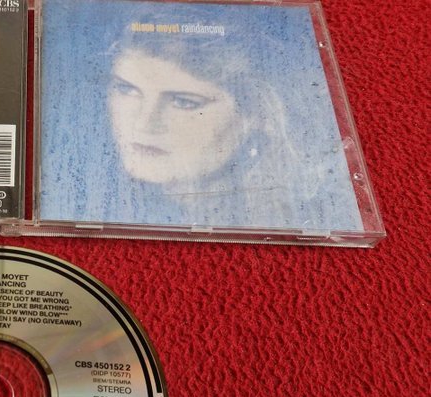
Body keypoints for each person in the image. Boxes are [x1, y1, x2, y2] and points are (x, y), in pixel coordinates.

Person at [39, 2, 362, 230]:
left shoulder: (305, 215)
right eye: (127, 89)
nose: (144, 122)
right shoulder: (75, 191)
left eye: (183, 102)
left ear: (258, 114)